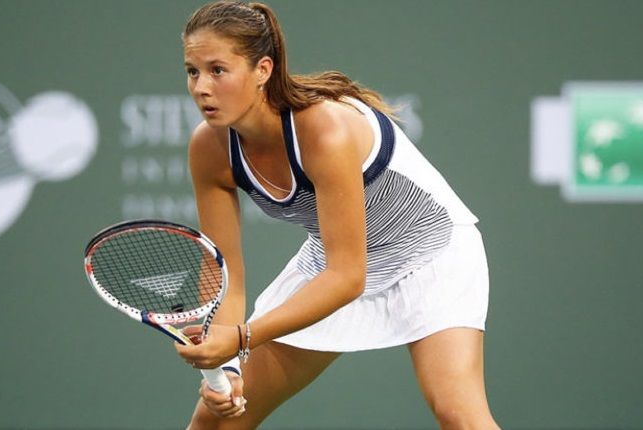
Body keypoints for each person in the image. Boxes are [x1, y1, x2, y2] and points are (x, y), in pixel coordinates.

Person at [175, 1, 500, 428]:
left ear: (263, 70)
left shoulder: (325, 129)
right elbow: (226, 277)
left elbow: (348, 277)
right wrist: (229, 368)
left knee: (459, 414)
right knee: (215, 422)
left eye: (218, 70)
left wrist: (242, 338)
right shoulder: (209, 148)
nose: (201, 87)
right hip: (331, 260)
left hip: (429, 251)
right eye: (192, 71)